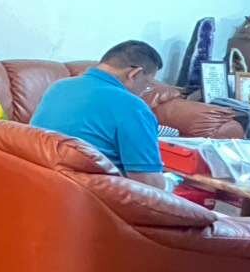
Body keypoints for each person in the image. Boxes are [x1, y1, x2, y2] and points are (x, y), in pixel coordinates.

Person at [30, 40, 167, 188]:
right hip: (88, 194)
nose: (144, 91)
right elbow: (149, 185)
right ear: (134, 74)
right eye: (147, 84)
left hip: (37, 184)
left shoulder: (59, 87)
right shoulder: (133, 106)